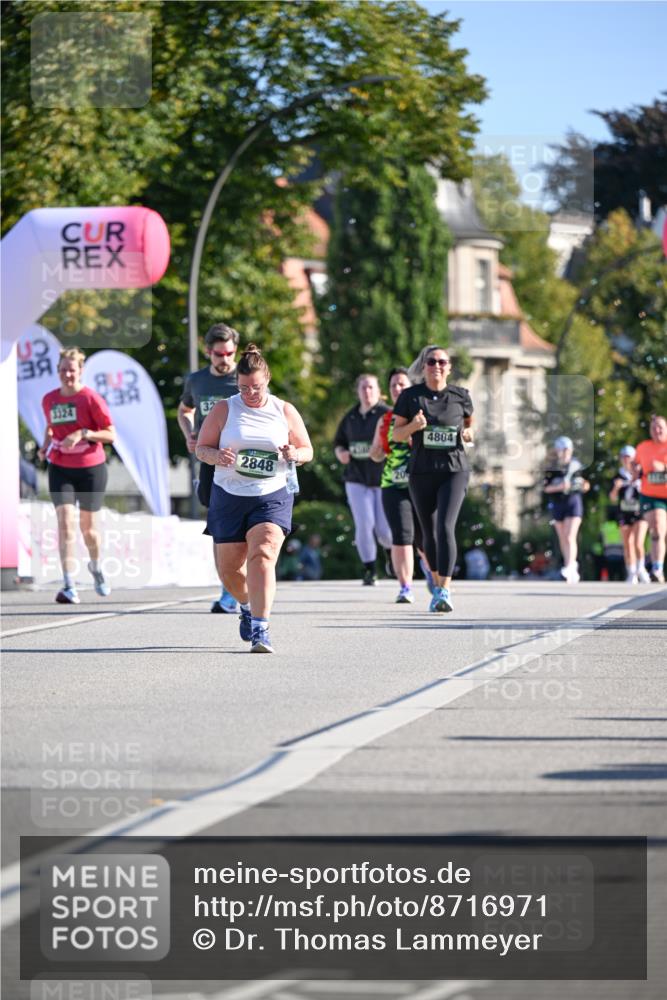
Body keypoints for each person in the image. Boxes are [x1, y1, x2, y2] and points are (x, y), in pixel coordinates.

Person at [196, 344, 313, 653]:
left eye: (256, 387)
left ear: (268, 380)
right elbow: (201, 449)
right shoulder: (224, 409)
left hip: (271, 494)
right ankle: (247, 606)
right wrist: (216, 455)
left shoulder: (283, 409)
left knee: (262, 554)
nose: (250, 393)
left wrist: (294, 454)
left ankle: (261, 629)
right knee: (230, 572)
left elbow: (307, 450)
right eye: (244, 387)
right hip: (229, 495)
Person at [393, 345, 473, 613]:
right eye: (431, 362)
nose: (436, 366)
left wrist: (470, 435)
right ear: (424, 366)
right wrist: (414, 427)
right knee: (428, 532)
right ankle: (438, 584)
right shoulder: (409, 396)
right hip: (422, 471)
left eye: (442, 362)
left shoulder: (461, 396)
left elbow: (469, 425)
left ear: (449, 367)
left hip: (454, 470)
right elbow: (397, 435)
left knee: (445, 527)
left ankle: (444, 589)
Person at [39, 347, 116, 604]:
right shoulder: (49, 399)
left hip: (90, 468)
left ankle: (95, 567)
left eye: (71, 370)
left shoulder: (90, 399)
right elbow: (50, 428)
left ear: (80, 371)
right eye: (62, 370)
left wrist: (83, 433)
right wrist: (44, 445)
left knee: (88, 530)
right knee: (65, 523)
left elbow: (110, 434)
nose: (67, 375)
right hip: (60, 467)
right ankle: (69, 584)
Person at [178, 322, 241, 613]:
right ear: (208, 353)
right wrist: (190, 433)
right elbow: (184, 410)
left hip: (241, 461)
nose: (225, 360)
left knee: (236, 521)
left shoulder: (245, 378)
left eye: (229, 353)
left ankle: (233, 587)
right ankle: (228, 586)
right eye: (219, 354)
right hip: (209, 458)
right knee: (218, 523)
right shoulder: (197, 381)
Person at [369, 366, 431, 604]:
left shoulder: (423, 413)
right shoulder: (384, 420)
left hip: (422, 483)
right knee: (401, 536)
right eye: (394, 385)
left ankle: (433, 575)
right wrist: (375, 452)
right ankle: (405, 586)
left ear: (411, 387)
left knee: (426, 538)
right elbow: (377, 453)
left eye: (402, 384)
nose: (397, 389)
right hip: (392, 483)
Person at [334, 373, 392, 586]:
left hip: (383, 479)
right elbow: (338, 442)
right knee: (364, 524)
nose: (367, 392)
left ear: (378, 391)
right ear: (358, 391)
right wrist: (340, 452)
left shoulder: (387, 414)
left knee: (385, 531)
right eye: (363, 388)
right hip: (356, 478)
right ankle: (370, 569)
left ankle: (389, 552)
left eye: (371, 388)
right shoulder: (350, 417)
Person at [543, 436, 590, 583]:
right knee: (563, 537)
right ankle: (570, 566)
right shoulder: (552, 468)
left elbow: (587, 485)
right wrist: (559, 487)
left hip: (573, 502)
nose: (564, 453)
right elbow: (546, 488)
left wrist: (583, 485)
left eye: (567, 449)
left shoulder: (577, 465)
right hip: (558, 504)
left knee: (570, 536)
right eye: (562, 450)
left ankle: (570, 565)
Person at [609, 445, 650, 584]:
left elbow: (650, 491)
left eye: (630, 457)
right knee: (628, 543)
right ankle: (631, 571)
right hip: (624, 512)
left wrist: (638, 482)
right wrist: (617, 487)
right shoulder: (618, 476)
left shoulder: (641, 473)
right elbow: (613, 498)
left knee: (639, 542)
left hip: (639, 512)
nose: (627, 460)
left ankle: (641, 568)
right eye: (624, 457)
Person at [635, 414, 667, 583]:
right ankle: (657, 568)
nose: (657, 430)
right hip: (651, 496)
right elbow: (635, 468)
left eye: (660, 427)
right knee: (657, 528)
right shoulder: (642, 447)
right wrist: (635, 470)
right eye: (654, 428)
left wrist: (664, 468)